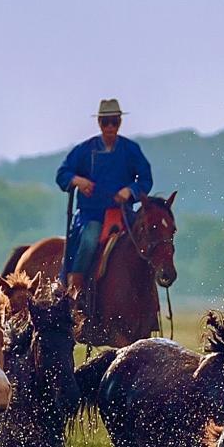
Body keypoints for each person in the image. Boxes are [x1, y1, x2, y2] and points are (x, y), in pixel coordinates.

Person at [55, 99, 153, 298]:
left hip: (124, 214)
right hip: (92, 214)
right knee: (89, 240)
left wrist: (130, 190)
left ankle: (150, 293)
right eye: (106, 122)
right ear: (99, 122)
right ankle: (75, 290)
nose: (110, 127)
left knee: (148, 238)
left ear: (120, 122)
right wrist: (77, 180)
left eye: (114, 121)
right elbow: (62, 174)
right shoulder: (84, 150)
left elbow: (146, 179)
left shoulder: (131, 149)